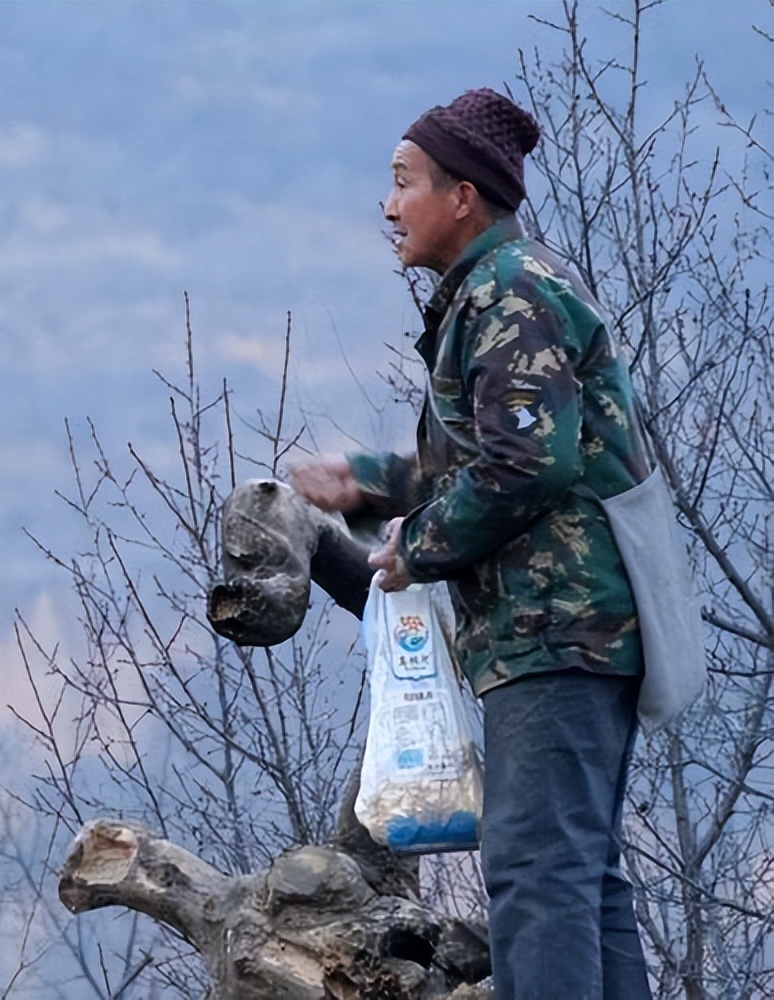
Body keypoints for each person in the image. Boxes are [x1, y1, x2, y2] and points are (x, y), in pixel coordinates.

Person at [289, 89, 653, 1000]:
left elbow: (528, 464)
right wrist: (370, 485)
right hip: (562, 632)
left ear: (464, 197)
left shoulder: (510, 292)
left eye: (403, 183)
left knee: (537, 873)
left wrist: (422, 549)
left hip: (557, 633)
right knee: (580, 874)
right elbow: (481, 456)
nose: (386, 205)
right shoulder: (490, 296)